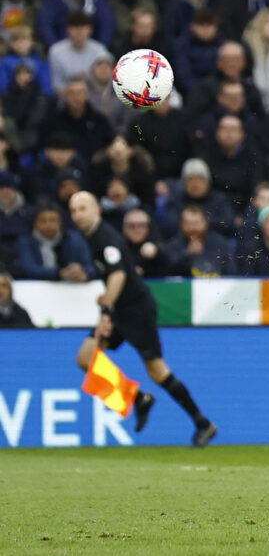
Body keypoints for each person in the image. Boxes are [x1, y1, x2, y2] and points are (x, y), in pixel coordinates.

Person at [68, 191, 217, 446]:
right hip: (120, 308)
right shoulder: (92, 237)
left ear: (97, 210)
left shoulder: (105, 238)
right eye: (73, 210)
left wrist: (106, 309)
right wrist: (107, 299)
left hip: (136, 310)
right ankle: (137, 398)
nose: (77, 215)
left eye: (83, 208)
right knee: (85, 358)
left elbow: (119, 276)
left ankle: (203, 423)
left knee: (157, 371)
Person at [16, 202, 94, 281]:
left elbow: (90, 266)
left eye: (53, 220)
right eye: (43, 221)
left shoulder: (74, 238)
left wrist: (84, 274)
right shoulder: (25, 241)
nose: (48, 225)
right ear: (35, 223)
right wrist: (59, 273)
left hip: (71, 287)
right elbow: (29, 269)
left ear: (60, 222)